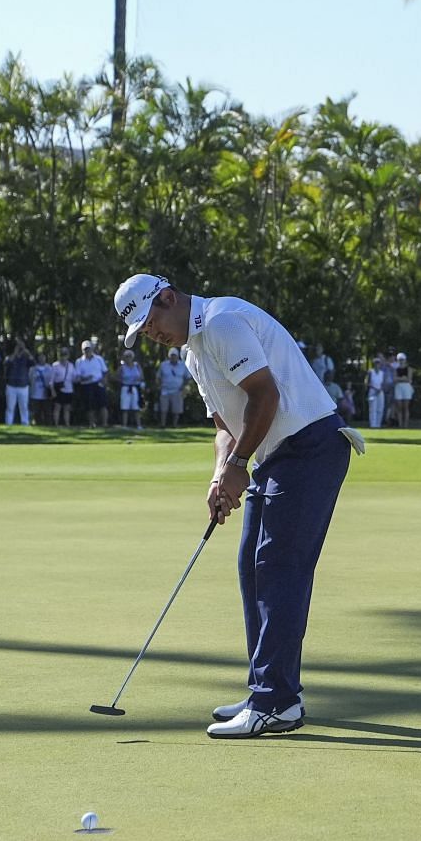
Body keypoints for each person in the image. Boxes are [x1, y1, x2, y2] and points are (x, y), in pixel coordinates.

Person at [115, 272, 365, 738]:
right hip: (276, 455)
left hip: (309, 447)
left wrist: (239, 464)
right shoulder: (192, 351)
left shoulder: (223, 322)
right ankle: (267, 690)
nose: (155, 337)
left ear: (168, 298)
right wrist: (220, 474)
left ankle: (276, 703)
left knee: (277, 568)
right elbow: (224, 426)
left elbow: (264, 395)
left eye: (153, 325)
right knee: (252, 566)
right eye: (146, 334)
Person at [74, 341, 108, 427]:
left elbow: (105, 372)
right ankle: (91, 424)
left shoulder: (99, 359)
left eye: (88, 349)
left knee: (102, 405)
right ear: (82, 350)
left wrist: (104, 380)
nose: (87, 351)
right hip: (86, 385)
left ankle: (104, 424)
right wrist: (85, 378)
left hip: (99, 384)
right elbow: (77, 377)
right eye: (85, 349)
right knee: (89, 406)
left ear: (92, 349)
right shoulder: (79, 361)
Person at [3, 341, 34, 426]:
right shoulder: (9, 357)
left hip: (23, 386)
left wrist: (26, 351)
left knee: (24, 407)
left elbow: (33, 362)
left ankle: (25, 423)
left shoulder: (26, 358)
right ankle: (8, 423)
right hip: (11, 386)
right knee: (10, 407)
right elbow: (7, 363)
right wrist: (15, 352)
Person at [158, 346, 189, 428]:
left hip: (177, 390)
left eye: (174, 355)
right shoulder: (163, 365)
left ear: (177, 356)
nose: (173, 357)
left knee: (176, 409)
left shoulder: (182, 365)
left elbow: (187, 377)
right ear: (169, 356)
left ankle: (174, 425)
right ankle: (163, 425)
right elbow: (158, 377)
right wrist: (160, 386)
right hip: (165, 390)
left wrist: (183, 387)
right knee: (163, 409)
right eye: (171, 355)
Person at [117, 348, 144, 431]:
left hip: (135, 388)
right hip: (126, 388)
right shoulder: (122, 367)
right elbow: (117, 378)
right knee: (125, 408)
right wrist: (125, 381)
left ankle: (139, 425)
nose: (128, 358)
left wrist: (137, 380)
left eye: (129, 356)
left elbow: (141, 377)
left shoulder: (137, 366)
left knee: (136, 408)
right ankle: (124, 425)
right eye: (126, 356)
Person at [51, 346, 76, 427]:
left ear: (68, 355)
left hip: (69, 389)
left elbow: (74, 378)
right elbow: (51, 380)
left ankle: (67, 424)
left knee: (67, 408)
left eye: (65, 354)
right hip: (59, 389)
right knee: (57, 407)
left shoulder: (71, 366)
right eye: (62, 354)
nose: (63, 356)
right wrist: (53, 391)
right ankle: (56, 424)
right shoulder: (55, 365)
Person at [365, 352, 390, 429]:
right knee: (373, 409)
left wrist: (381, 389)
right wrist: (374, 388)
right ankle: (373, 424)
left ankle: (378, 425)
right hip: (372, 391)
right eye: (376, 363)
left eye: (378, 363)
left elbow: (384, 383)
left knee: (380, 408)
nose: (377, 364)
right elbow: (367, 382)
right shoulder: (370, 372)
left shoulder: (382, 373)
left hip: (380, 392)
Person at [390, 352, 413, 429]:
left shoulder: (409, 368)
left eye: (402, 359)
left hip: (406, 388)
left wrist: (400, 379)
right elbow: (394, 379)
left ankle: (405, 425)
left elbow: (409, 379)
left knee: (406, 407)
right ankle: (400, 425)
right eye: (399, 359)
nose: (401, 361)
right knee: (399, 407)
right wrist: (403, 378)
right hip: (398, 388)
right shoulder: (396, 369)